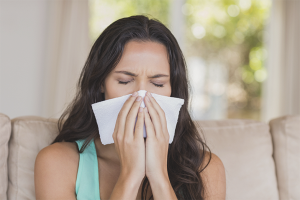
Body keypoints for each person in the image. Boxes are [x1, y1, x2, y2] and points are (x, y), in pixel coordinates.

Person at [34, 15, 226, 200]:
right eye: (125, 81)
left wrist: (159, 177)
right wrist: (130, 175)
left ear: (173, 90)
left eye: (158, 84)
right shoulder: (57, 162)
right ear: (101, 83)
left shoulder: (207, 169)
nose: (141, 97)